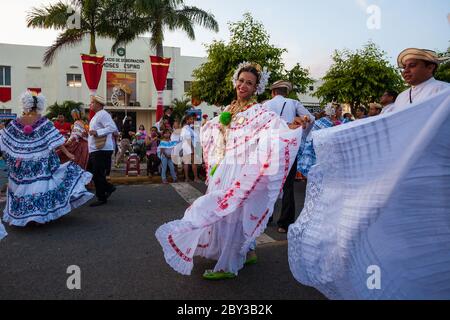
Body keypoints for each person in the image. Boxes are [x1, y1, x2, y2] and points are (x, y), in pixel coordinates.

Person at [288, 85, 450, 299]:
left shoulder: (441, 92)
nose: (407, 71)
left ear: (430, 66)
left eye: (414, 65)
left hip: (418, 171)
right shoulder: (401, 99)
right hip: (386, 170)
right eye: (405, 66)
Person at [156, 62, 304, 280]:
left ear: (256, 88)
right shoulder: (229, 109)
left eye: (249, 83)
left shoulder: (260, 112)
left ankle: (228, 264)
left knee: (232, 211)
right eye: (241, 80)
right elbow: (213, 129)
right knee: (229, 210)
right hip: (225, 166)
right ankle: (249, 251)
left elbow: (277, 128)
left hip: (242, 168)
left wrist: (293, 127)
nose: (243, 85)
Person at [0, 91, 93, 226]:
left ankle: (27, 215)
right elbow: (55, 140)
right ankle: (39, 215)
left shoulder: (16, 122)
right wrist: (67, 154)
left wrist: (13, 155)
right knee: (41, 186)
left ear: (25, 106)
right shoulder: (43, 122)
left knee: (24, 187)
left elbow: (5, 140)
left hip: (23, 162)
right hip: (41, 160)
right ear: (38, 107)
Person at [263, 80, 314, 233]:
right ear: (286, 92)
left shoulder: (265, 105)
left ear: (273, 92)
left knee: (268, 184)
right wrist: (302, 135)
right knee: (288, 186)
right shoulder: (293, 103)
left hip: (270, 149)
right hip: (289, 149)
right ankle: (284, 224)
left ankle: (266, 219)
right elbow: (310, 118)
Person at [297, 103, 344, 178]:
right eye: (340, 110)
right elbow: (313, 136)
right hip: (321, 151)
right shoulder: (322, 122)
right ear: (333, 111)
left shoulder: (343, 122)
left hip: (335, 152)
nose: (341, 112)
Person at [87, 95, 118, 207]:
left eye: (92, 103)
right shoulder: (97, 115)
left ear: (98, 104)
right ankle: (108, 187)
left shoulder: (103, 114)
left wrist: (97, 132)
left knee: (97, 174)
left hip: (102, 149)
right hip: (96, 149)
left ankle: (102, 197)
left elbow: (112, 128)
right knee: (92, 172)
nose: (90, 104)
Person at [180, 114, 200, 182]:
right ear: (187, 120)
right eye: (191, 119)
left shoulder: (186, 128)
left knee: (186, 163)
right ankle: (195, 178)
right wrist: (192, 148)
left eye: (193, 119)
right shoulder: (186, 128)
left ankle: (187, 178)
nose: (192, 120)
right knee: (193, 163)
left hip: (186, 147)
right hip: (190, 147)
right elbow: (188, 139)